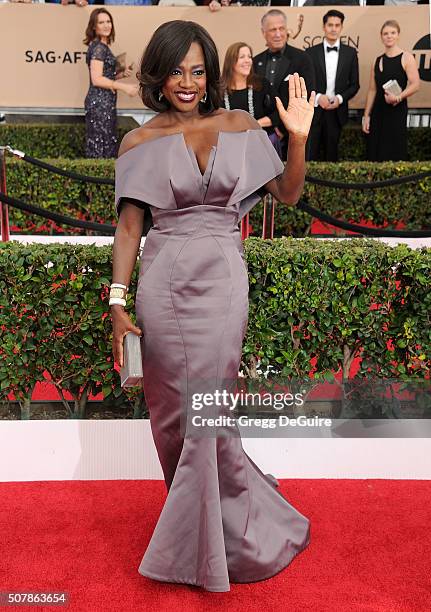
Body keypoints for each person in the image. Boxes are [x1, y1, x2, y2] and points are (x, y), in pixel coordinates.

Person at [110, 20, 314, 593]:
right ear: (158, 74)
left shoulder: (240, 125)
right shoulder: (140, 142)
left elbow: (290, 194)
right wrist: (117, 301)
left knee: (209, 408)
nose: (187, 82)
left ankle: (218, 546)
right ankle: (209, 533)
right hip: (162, 280)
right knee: (177, 417)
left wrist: (297, 139)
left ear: (212, 75)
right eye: (176, 70)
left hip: (223, 280)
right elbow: (129, 230)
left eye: (198, 71)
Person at [253, 9, 315, 159]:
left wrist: (282, 128)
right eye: (273, 29)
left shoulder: (302, 59)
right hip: (263, 136)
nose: (278, 34)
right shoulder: (255, 61)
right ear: (263, 33)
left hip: (292, 135)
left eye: (281, 28)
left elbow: (307, 95)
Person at [83, 8, 138, 159]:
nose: (106, 25)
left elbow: (104, 76)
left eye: (108, 21)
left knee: (106, 142)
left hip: (105, 101)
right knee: (101, 146)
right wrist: (125, 87)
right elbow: (97, 79)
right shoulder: (99, 48)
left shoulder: (101, 46)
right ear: (94, 26)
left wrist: (120, 75)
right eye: (101, 22)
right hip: (99, 102)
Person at [305, 10, 359, 161]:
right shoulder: (310, 52)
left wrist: (340, 99)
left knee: (332, 157)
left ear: (341, 27)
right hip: (314, 111)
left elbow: (355, 85)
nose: (333, 29)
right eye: (330, 25)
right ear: (324, 27)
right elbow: (306, 83)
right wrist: (318, 97)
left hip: (337, 113)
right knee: (310, 156)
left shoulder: (351, 53)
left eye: (337, 25)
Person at [363, 19, 420, 161]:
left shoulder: (407, 58)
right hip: (378, 112)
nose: (389, 36)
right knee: (374, 151)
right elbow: (372, 90)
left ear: (398, 35)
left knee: (395, 149)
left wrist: (398, 97)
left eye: (393, 33)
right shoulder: (377, 60)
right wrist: (366, 115)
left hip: (396, 111)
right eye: (385, 33)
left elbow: (415, 84)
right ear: (381, 36)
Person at [221, 42, 282, 157]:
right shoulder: (219, 90)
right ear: (231, 62)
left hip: (263, 146)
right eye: (242, 57)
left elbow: (279, 112)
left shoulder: (261, 84)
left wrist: (254, 125)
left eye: (249, 56)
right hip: (230, 149)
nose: (247, 60)